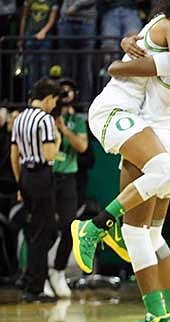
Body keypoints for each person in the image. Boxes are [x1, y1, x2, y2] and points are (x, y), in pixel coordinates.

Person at [70, 0, 170, 320]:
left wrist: (132, 41)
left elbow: (140, 51)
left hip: (146, 124)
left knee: (151, 233)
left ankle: (168, 312)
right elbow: (116, 66)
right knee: (163, 175)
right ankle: (94, 227)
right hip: (115, 112)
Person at [10, 78, 61, 303]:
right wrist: (58, 140)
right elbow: (50, 155)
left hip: (25, 176)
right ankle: (35, 288)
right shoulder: (46, 120)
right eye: (54, 101)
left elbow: (14, 155)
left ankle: (28, 276)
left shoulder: (20, 118)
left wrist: (20, 183)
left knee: (34, 231)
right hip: (41, 176)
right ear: (48, 98)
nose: (54, 106)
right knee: (44, 233)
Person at [44, 78, 88, 299]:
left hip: (69, 177)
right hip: (49, 175)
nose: (65, 96)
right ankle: (40, 274)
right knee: (46, 229)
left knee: (70, 228)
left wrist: (63, 129)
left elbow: (82, 146)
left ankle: (58, 271)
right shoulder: (44, 119)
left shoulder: (75, 120)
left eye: (68, 92)